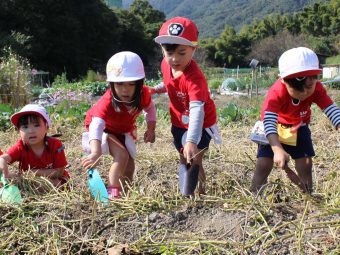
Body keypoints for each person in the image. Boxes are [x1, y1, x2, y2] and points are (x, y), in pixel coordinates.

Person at [251, 47, 340, 194]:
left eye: (309, 88)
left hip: (299, 126)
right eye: (299, 90)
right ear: (284, 81)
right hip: (275, 128)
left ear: (314, 79)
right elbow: (269, 121)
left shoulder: (317, 88)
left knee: (305, 163)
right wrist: (277, 148)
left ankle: (308, 195)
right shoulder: (276, 92)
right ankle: (254, 194)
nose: (304, 94)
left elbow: (331, 110)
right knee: (263, 163)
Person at [153, 17, 221, 195]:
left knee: (194, 158)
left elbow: (197, 111)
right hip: (178, 122)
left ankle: (199, 193)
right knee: (184, 158)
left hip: (200, 123)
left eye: (182, 53)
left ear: (193, 49)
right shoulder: (165, 65)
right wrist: (156, 89)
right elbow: (169, 83)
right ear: (162, 50)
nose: (175, 59)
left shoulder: (195, 79)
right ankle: (188, 191)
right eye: (169, 53)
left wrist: (191, 140)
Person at [81, 51, 156, 199]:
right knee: (121, 156)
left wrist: (151, 128)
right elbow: (96, 125)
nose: (125, 89)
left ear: (139, 83)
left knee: (130, 164)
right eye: (120, 84)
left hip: (121, 130)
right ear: (112, 84)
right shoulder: (107, 101)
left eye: (131, 84)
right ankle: (113, 194)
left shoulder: (143, 94)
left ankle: (126, 193)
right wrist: (95, 152)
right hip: (104, 128)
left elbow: (150, 108)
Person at [0, 104, 69, 187]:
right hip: (27, 181)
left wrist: (33, 173)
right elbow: (4, 158)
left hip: (55, 181)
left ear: (46, 127)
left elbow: (59, 172)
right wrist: (4, 166)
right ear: (19, 131)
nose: (31, 131)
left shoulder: (55, 144)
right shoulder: (20, 147)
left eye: (36, 125)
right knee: (14, 179)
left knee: (56, 184)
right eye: (25, 127)